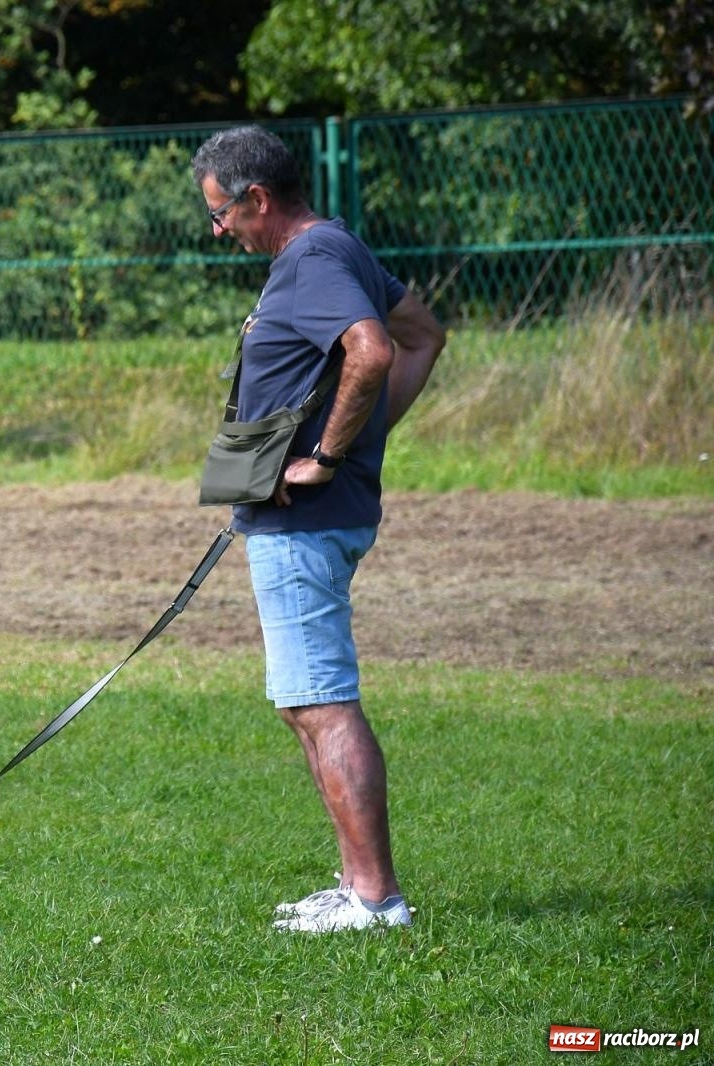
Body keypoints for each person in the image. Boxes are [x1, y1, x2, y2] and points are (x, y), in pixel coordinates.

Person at [191, 126, 446, 933]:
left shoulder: (310, 260)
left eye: (222, 213)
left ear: (257, 198)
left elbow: (373, 351)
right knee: (304, 701)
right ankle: (356, 886)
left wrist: (333, 455)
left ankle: (375, 899)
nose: (219, 230)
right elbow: (424, 334)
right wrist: (365, 439)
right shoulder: (338, 249)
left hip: (308, 520)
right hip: (305, 519)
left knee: (323, 701)